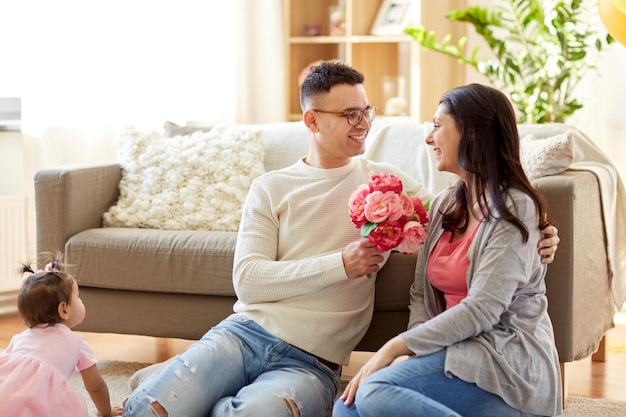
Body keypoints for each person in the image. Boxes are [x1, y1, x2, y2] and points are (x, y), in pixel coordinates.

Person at [123, 62, 560, 417]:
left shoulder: (389, 185)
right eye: (350, 115)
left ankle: (211, 396)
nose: (362, 124)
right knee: (149, 410)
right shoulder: (271, 187)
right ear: (312, 120)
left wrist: (541, 233)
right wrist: (341, 264)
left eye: (365, 112)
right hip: (243, 335)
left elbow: (482, 220)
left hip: (313, 362)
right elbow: (249, 282)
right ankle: (189, 385)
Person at [332, 83, 563, 417]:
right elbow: (418, 295)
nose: (429, 138)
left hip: (504, 360)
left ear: (472, 133)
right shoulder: (444, 205)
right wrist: (414, 356)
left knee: (374, 391)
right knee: (346, 409)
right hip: (454, 351)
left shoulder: (515, 207)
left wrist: (394, 348)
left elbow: (483, 309)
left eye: (438, 126)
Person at [0, 251, 123, 417]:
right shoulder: (77, 342)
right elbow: (96, 386)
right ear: (64, 310)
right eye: (77, 296)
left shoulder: (20, 338)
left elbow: (5, 372)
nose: (80, 301)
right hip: (40, 403)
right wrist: (106, 412)